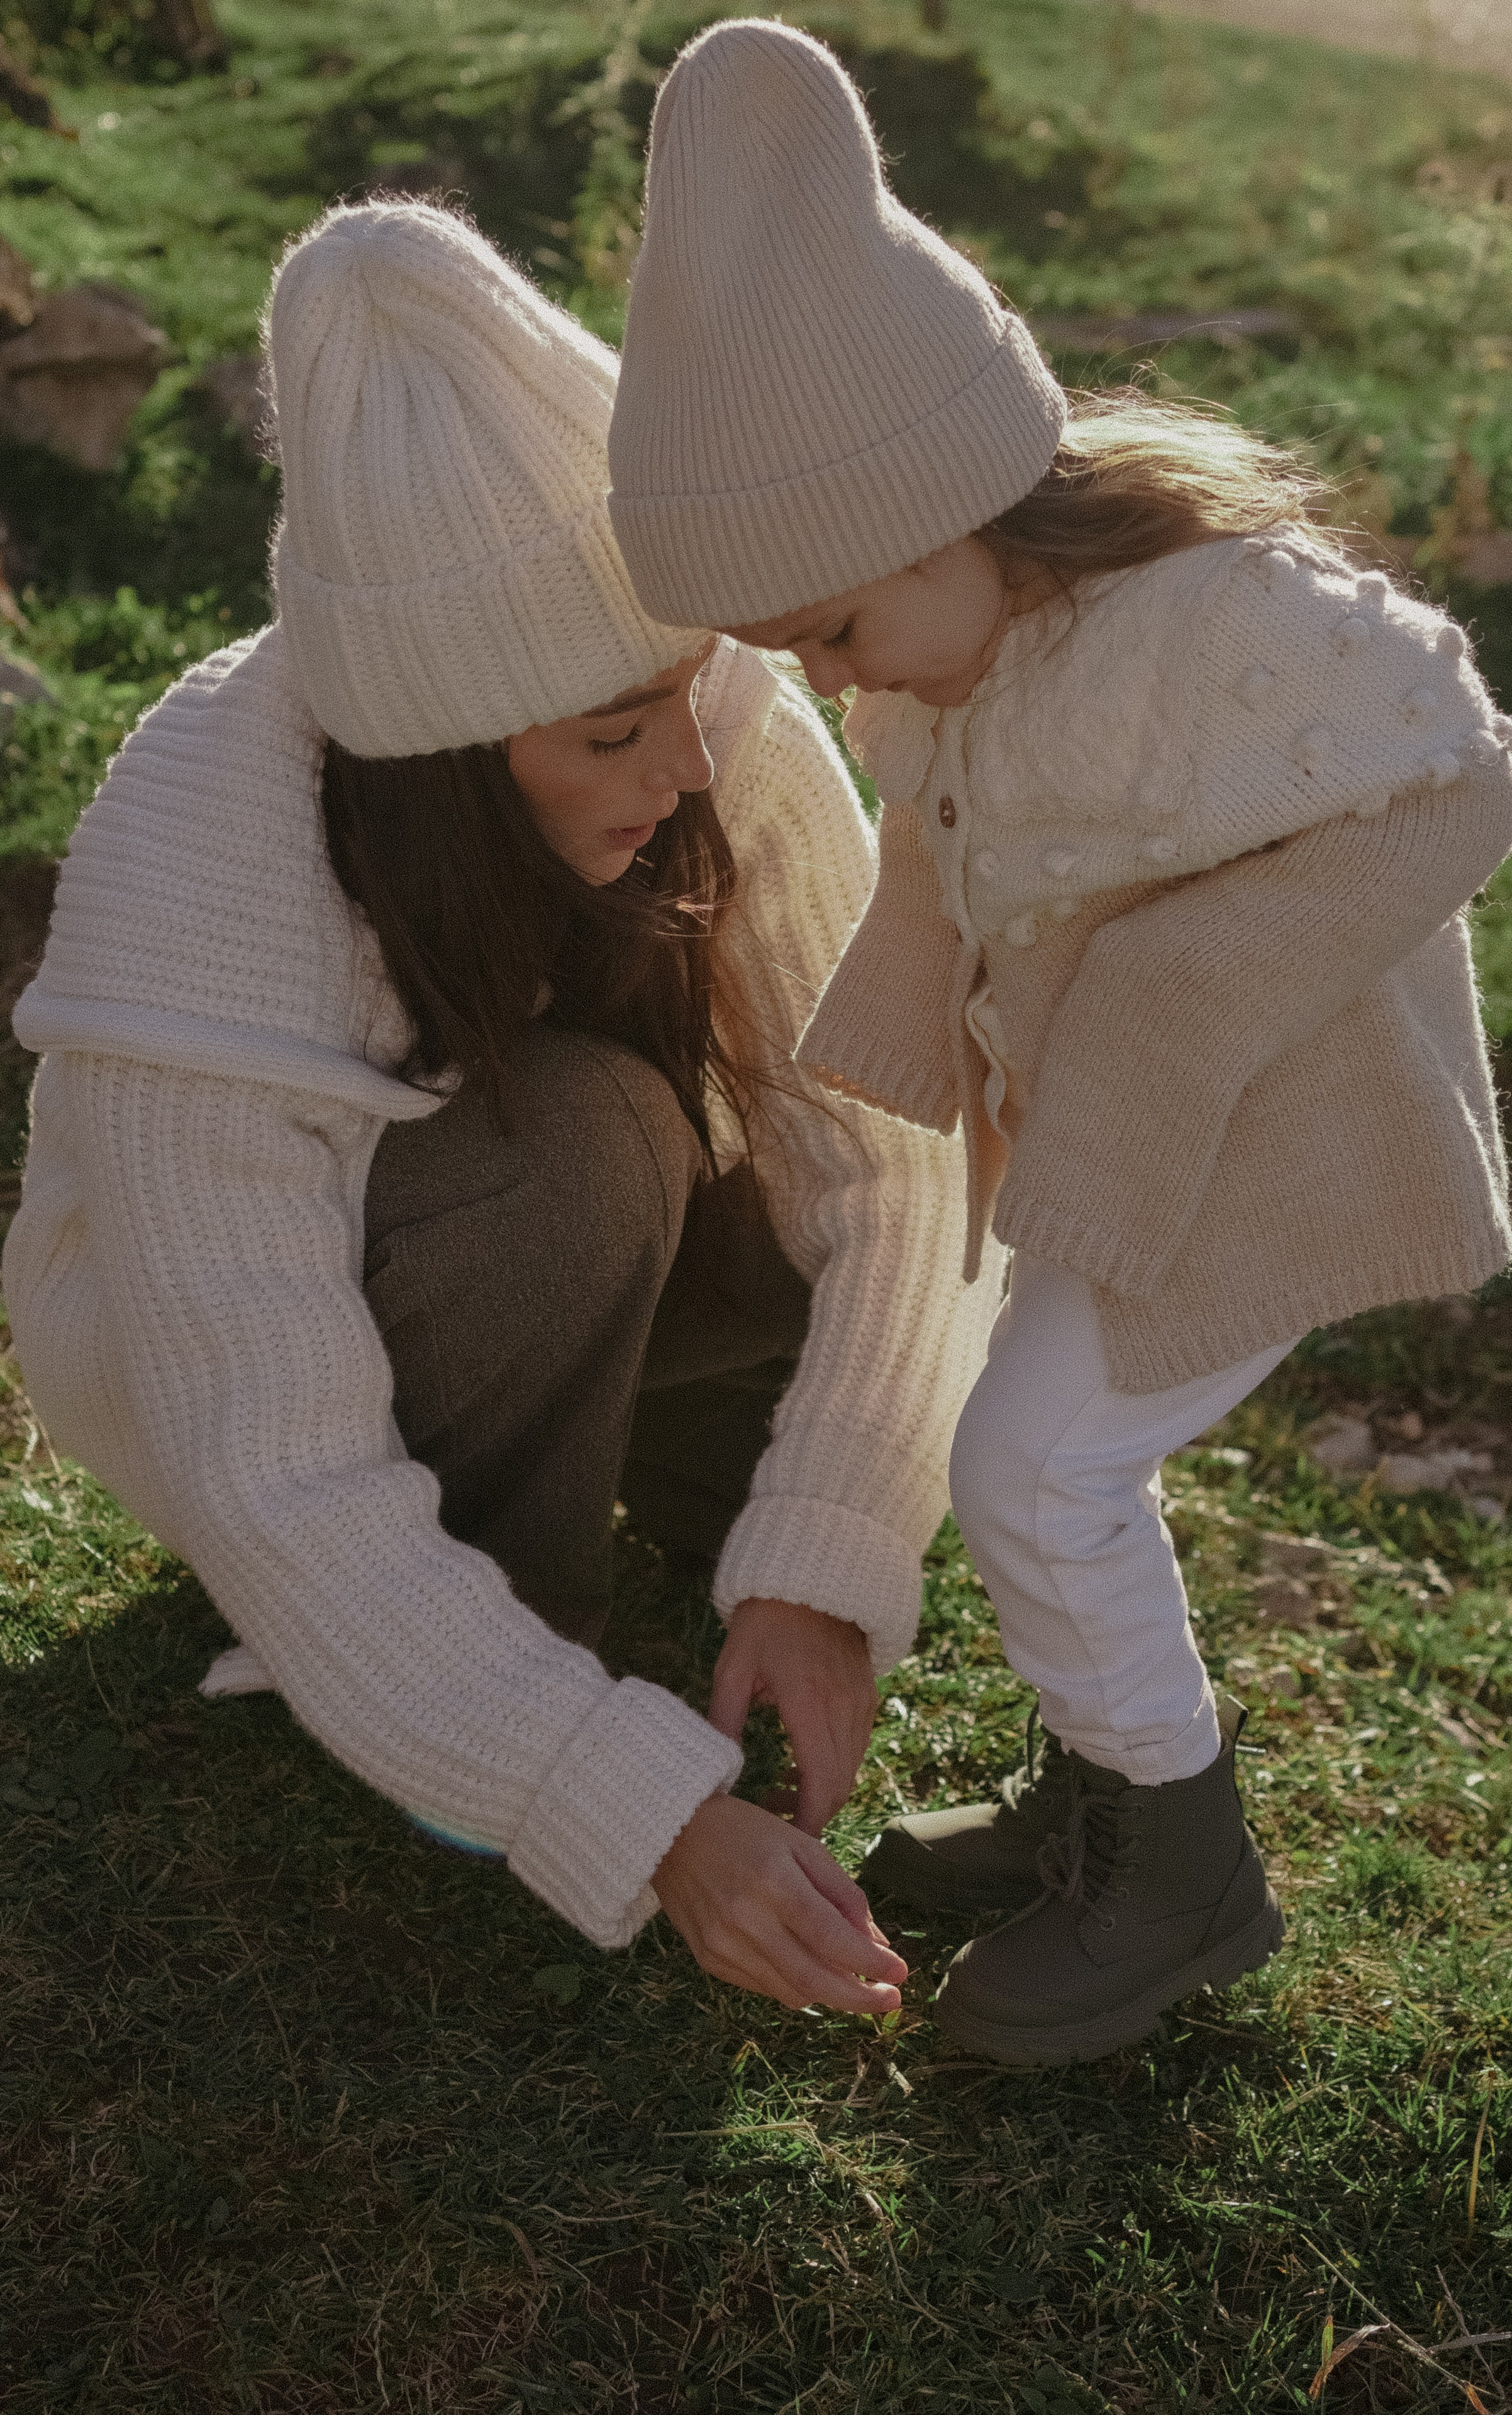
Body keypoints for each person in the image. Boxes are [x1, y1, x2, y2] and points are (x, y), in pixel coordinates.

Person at [608, 18, 1512, 2063]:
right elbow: (945, 855)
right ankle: (1095, 1798)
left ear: (953, 500)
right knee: (1045, 1455)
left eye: (837, 629)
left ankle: (1186, 1878)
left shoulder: (1216, 624)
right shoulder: (964, 642)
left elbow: (1464, 772)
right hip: (1123, 1151)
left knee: (1035, 1459)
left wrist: (1198, 985)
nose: (837, 682)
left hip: (1268, 1143)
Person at [4, 199, 1002, 2017]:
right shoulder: (201, 879)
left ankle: (715, 1555)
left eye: (684, 692)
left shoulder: (699, 703)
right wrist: (628, 1813)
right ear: (448, 769)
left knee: (788, 1160)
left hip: (557, 1243)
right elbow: (275, 1468)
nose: (692, 763)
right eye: (612, 738)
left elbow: (899, 1146)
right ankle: (499, 1668)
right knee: (588, 1150)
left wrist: (832, 1556)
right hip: (249, 1356)